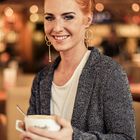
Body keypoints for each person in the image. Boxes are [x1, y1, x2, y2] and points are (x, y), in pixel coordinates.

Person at [21, 0, 136, 139]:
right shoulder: (41, 79)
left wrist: (73, 138)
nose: (57, 28)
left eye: (68, 17)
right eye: (49, 18)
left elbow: (126, 138)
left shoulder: (110, 73)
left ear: (87, 19)